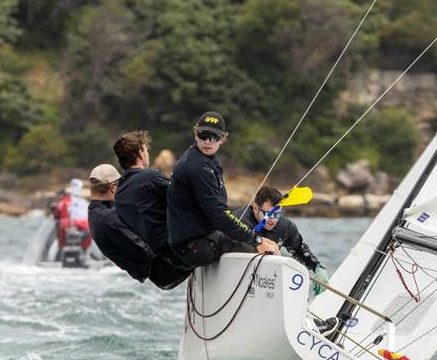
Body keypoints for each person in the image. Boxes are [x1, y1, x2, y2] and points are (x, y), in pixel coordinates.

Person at [167, 111, 279, 269]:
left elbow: (219, 208)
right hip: (193, 247)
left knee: (251, 225)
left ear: (223, 139)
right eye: (203, 135)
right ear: (195, 134)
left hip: (202, 236)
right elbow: (218, 213)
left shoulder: (208, 160)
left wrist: (255, 236)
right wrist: (257, 241)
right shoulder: (197, 166)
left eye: (213, 137)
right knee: (262, 252)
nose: (207, 141)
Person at [87, 164, 190, 290]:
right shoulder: (108, 219)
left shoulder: (96, 213)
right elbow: (142, 249)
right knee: (214, 238)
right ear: (112, 187)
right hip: (166, 269)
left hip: (159, 272)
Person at [234, 186, 329, 294]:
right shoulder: (238, 221)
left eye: (277, 214)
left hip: (265, 280)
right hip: (237, 273)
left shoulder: (285, 227)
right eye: (268, 214)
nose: (273, 220)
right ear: (255, 208)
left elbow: (299, 249)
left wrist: (317, 266)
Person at [113, 130, 185, 270]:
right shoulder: (149, 177)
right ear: (140, 153)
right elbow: (184, 197)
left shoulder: (119, 191)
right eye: (146, 150)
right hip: (176, 250)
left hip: (157, 260)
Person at [53, 178, 92, 253]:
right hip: (79, 223)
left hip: (65, 222)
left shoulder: (61, 202)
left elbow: (56, 215)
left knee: (62, 241)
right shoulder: (82, 202)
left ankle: (61, 251)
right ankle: (84, 250)